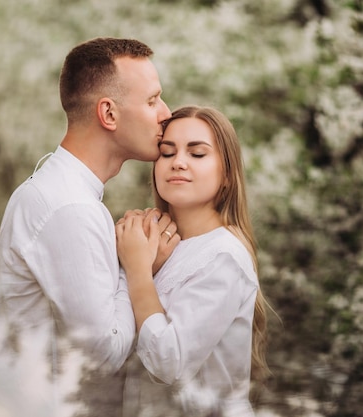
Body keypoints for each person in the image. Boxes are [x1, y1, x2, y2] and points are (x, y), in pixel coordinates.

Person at [0, 37, 173, 417]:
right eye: (152, 100)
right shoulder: (70, 208)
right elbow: (105, 352)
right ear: (109, 114)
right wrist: (138, 268)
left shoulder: (59, 191)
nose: (165, 113)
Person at [116, 105, 270, 417]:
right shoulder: (153, 244)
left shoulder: (224, 256)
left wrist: (137, 271)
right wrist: (146, 262)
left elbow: (168, 361)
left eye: (197, 154)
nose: (178, 163)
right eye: (167, 152)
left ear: (227, 175)